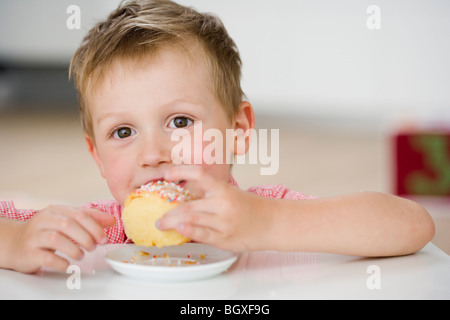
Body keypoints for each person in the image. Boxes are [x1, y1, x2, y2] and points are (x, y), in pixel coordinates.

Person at [0, 0, 434, 274]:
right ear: (96, 154)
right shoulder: (101, 228)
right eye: (123, 131)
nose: (152, 154)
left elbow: (412, 225)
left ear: (238, 130)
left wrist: (266, 223)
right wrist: (18, 242)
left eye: (180, 122)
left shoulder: (267, 210)